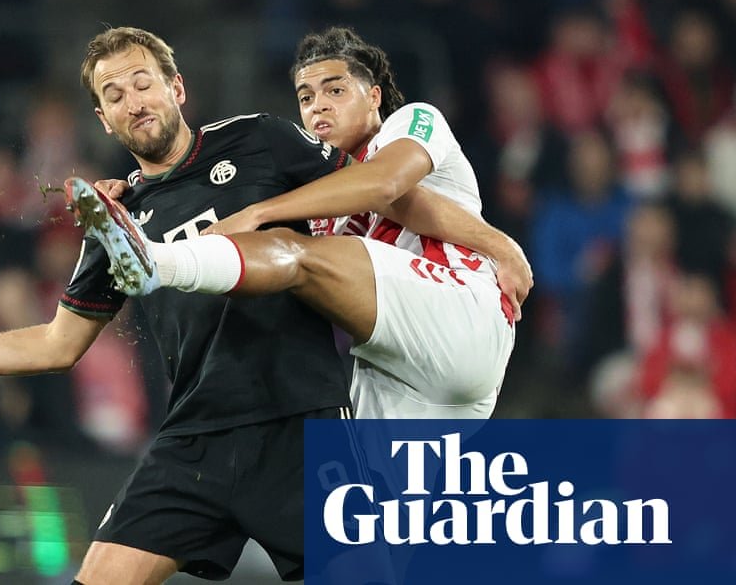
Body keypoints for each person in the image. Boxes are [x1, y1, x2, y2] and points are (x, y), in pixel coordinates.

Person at [0, 26, 523, 584]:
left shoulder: (260, 139)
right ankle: (157, 263)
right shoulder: (115, 219)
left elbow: (390, 193)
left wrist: (495, 244)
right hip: (193, 439)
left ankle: (164, 263)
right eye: (114, 95)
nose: (133, 100)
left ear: (176, 88)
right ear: (103, 119)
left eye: (143, 82)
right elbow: (57, 344)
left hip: (301, 424)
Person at [74, 25, 527, 422]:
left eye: (335, 91)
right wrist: (138, 190)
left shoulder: (410, 122)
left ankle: (157, 262)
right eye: (306, 98)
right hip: (399, 367)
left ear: (373, 96)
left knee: (295, 252)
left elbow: (386, 187)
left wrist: (504, 247)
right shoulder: (317, 193)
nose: (318, 108)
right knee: (358, 492)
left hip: (461, 316)